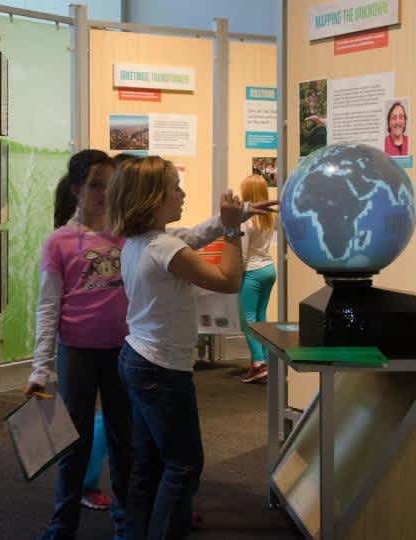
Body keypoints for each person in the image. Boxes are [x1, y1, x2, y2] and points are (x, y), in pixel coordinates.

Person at [107, 156, 277, 539]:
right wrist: (233, 231)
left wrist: (241, 214)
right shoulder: (163, 249)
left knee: (150, 462)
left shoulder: (144, 242)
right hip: (160, 370)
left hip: (140, 359)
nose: (182, 193)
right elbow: (229, 280)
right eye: (174, 187)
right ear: (152, 198)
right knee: (184, 465)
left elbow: (198, 234)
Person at [25, 149, 131, 540]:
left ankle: (125, 525)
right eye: (96, 185)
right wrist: (41, 368)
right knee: (74, 444)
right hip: (77, 355)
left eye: (110, 185)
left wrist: (225, 225)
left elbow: (180, 240)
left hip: (122, 353)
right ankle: (62, 525)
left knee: (125, 442)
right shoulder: (59, 242)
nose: (104, 193)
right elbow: (47, 308)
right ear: (76, 190)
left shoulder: (126, 233)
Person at [238, 174, 277, 384]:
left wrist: (234, 275)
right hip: (269, 269)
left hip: (251, 272)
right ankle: (264, 361)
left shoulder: (246, 221)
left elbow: (242, 255)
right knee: (261, 316)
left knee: (247, 320)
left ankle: (258, 364)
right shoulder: (269, 217)